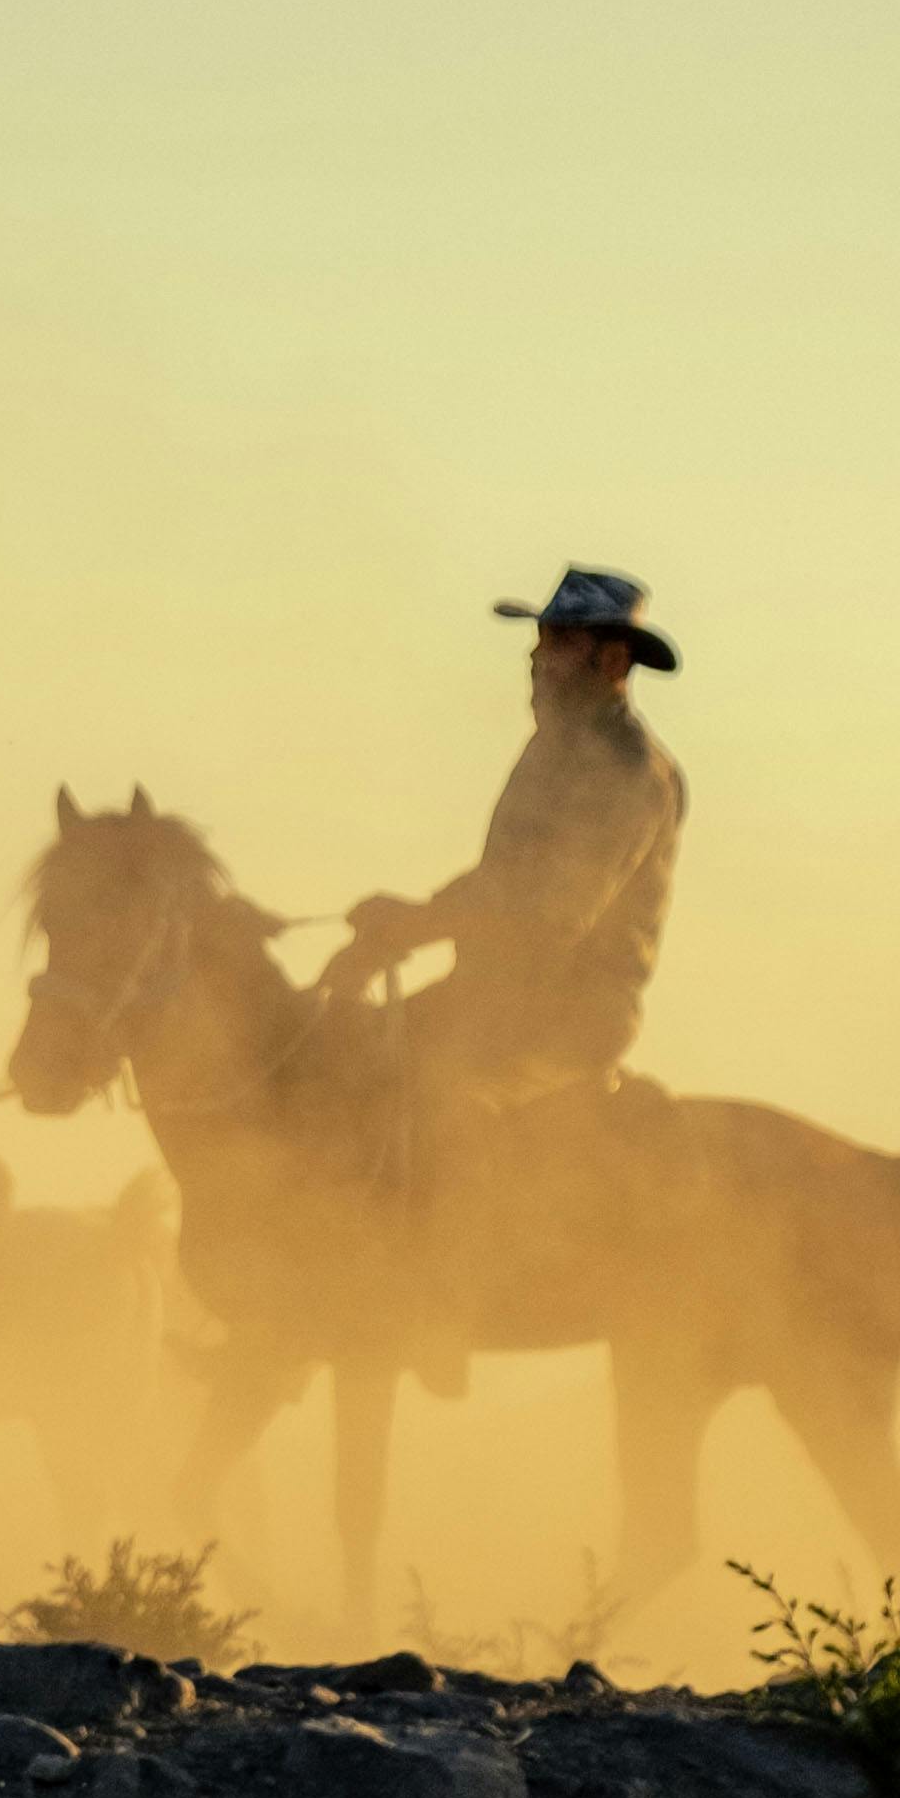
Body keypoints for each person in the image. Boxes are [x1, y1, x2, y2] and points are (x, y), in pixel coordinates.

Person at [321, 570, 687, 1369]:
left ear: (612, 662)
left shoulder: (628, 774)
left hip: (569, 1015)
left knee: (450, 1102)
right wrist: (398, 926)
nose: (536, 658)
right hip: (492, 998)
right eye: (541, 640)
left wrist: (412, 924)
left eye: (559, 643)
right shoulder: (557, 748)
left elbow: (550, 913)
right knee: (337, 1064)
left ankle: (447, 1305)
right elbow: (500, 882)